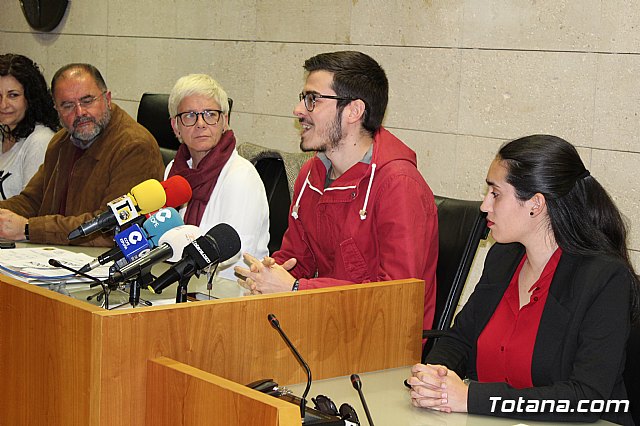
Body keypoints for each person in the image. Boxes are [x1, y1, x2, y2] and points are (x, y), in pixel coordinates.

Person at [408, 134, 639, 426]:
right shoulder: (503, 258)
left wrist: (470, 398)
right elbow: (460, 339)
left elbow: (586, 399)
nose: (484, 205)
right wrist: (434, 376)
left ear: (535, 204)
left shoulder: (604, 279)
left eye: (496, 194)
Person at [235, 51, 439, 332]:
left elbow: (397, 300)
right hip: (325, 326)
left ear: (354, 111)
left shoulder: (399, 184)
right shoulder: (312, 174)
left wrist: (296, 289)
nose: (298, 110)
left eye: (312, 99)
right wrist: (269, 273)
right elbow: (297, 260)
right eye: (303, 98)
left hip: (379, 343)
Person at [0, 63, 165, 246]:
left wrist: (29, 229)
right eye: (68, 105)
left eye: (87, 101)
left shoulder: (134, 146)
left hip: (103, 258)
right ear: (57, 110)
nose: (80, 113)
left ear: (107, 99)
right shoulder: (61, 141)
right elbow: (31, 201)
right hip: (57, 253)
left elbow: (113, 227)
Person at [165, 73, 269, 281]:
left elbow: (233, 261)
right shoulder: (173, 171)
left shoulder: (241, 176)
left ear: (225, 122)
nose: (201, 123)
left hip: (227, 291)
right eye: (190, 115)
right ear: (176, 126)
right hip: (179, 287)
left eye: (210, 114)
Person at [0, 54, 59, 199]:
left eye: (13, 95)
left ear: (30, 98)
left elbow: (32, 205)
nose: (3, 105)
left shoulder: (40, 140)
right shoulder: (3, 131)